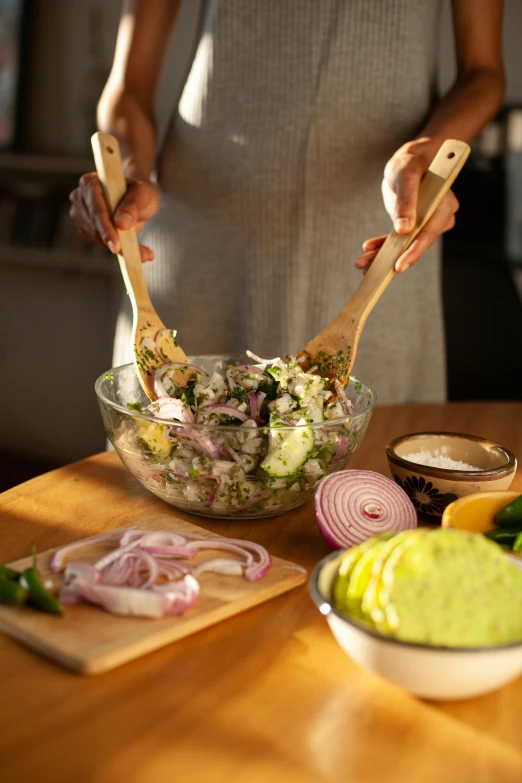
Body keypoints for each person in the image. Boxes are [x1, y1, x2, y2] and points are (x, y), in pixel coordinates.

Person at [70, 0, 505, 404]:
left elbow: (482, 72)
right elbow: (129, 85)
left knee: (365, 467)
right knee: (169, 453)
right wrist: (128, 173)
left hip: (382, 227)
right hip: (202, 229)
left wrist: (424, 155)